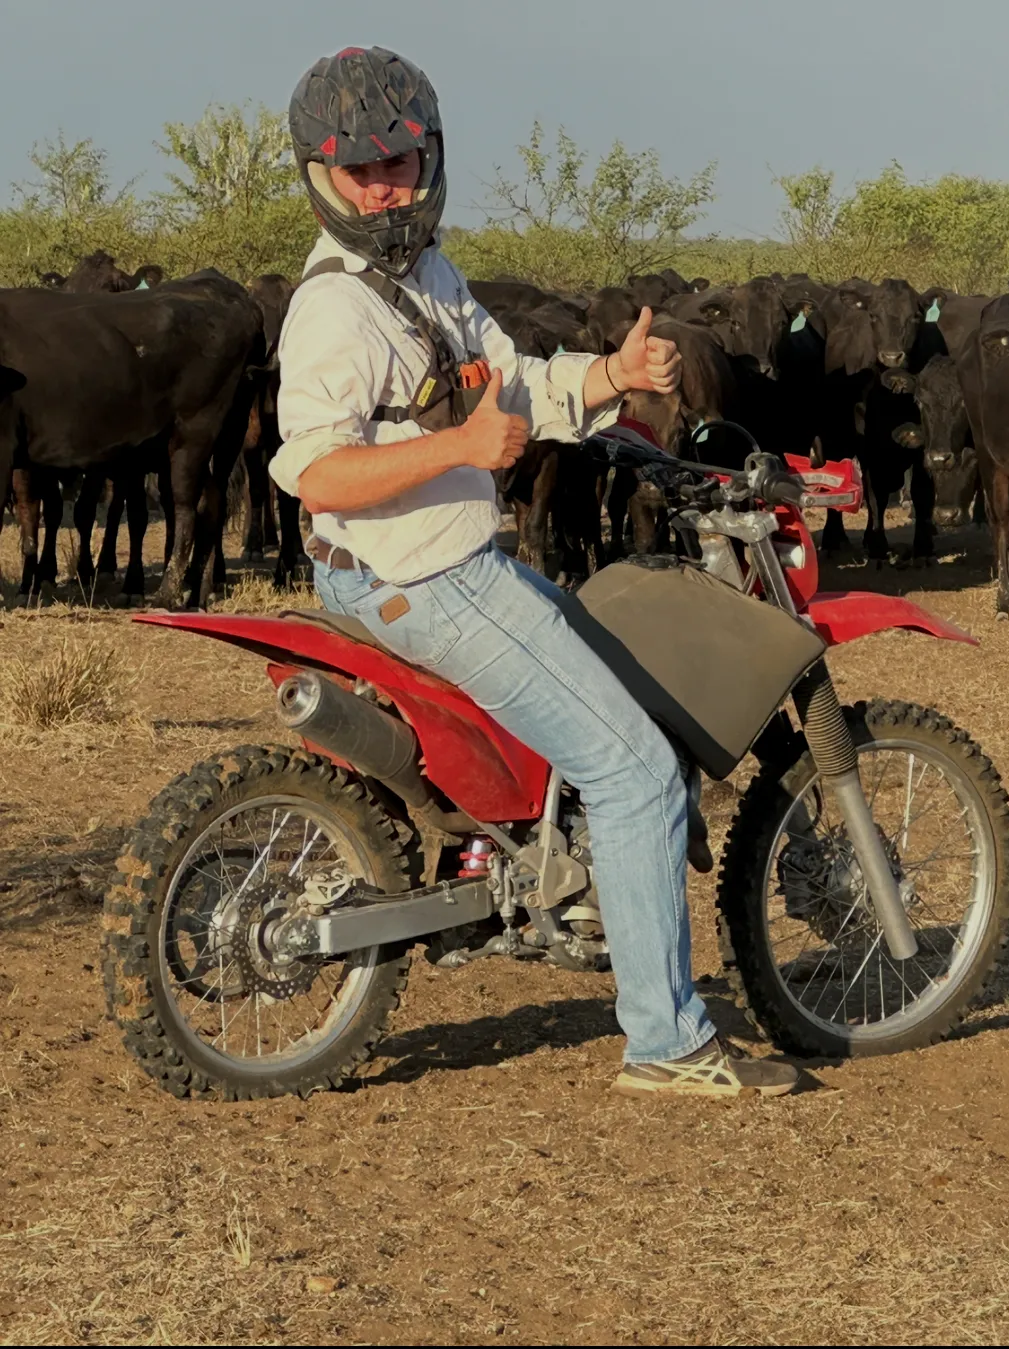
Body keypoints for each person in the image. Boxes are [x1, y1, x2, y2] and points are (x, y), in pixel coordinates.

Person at [270, 45, 798, 1099]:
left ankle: (559, 875)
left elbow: (508, 385)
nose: (383, 190)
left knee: (603, 656)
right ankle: (667, 1041)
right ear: (320, 176)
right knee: (637, 771)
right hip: (424, 576)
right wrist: (460, 449)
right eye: (359, 171)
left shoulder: (423, 277)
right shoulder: (336, 307)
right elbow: (315, 470)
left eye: (398, 165)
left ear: (428, 159)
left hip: (437, 561)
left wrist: (612, 374)